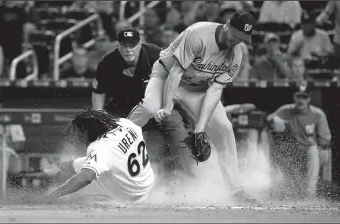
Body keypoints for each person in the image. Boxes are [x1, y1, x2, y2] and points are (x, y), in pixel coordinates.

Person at [127, 11, 257, 203]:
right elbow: (176, 72)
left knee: (224, 128)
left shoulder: (236, 54)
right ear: (228, 24)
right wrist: (167, 106)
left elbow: (215, 91)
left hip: (198, 87)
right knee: (150, 109)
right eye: (236, 34)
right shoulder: (199, 33)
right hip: (167, 75)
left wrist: (200, 128)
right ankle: (118, 134)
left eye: (242, 38)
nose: (237, 41)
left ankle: (235, 189)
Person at [92, 27, 192, 175]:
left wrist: (167, 105)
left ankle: (194, 173)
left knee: (175, 125)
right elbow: (98, 93)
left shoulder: (156, 55)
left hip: (158, 105)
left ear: (140, 44)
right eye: (124, 45)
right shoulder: (108, 62)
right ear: (118, 45)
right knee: (104, 133)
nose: (128, 50)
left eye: (132, 45)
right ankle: (106, 173)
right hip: (124, 109)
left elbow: (176, 78)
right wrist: (99, 116)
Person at [40, 107, 154, 203]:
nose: (79, 137)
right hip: (148, 184)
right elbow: (114, 152)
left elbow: (86, 178)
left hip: (132, 198)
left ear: (85, 131)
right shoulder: (125, 123)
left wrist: (51, 196)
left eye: (79, 132)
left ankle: (54, 188)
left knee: (88, 179)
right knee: (81, 164)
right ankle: (64, 166)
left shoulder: (98, 147)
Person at [267, 86, 332, 199]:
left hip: (315, 153)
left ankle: (310, 193)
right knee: (281, 151)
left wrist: (314, 142)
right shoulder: (286, 110)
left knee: (313, 150)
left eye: (304, 97)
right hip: (295, 150)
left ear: (309, 99)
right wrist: (274, 118)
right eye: (299, 96)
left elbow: (326, 140)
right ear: (294, 97)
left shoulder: (318, 114)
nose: (301, 100)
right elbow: (269, 118)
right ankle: (282, 190)